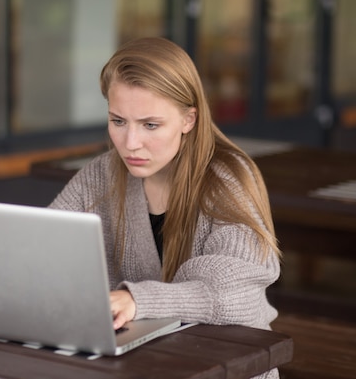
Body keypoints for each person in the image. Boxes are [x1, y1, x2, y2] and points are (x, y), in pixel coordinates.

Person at [49, 37, 281, 378]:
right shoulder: (101, 174)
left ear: (189, 120)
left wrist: (139, 300)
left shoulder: (227, 179)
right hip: (142, 363)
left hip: (226, 369)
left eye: (150, 125)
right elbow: (45, 247)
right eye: (118, 121)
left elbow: (234, 293)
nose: (130, 143)